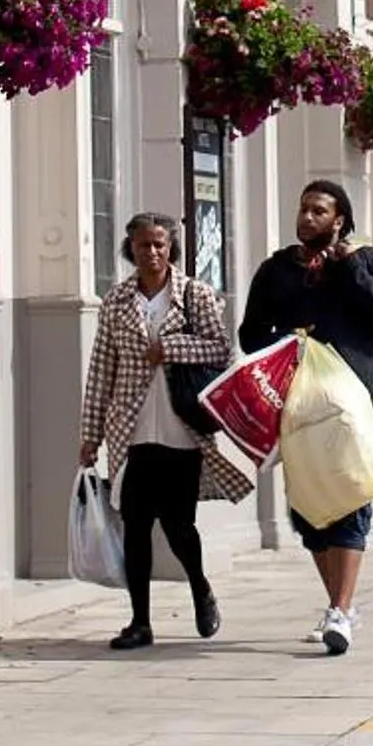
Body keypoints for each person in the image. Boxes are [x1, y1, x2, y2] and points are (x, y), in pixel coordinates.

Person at [240, 179, 373, 658]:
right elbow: (251, 334)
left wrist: (351, 265)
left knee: (352, 496)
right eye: (303, 209)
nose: (308, 217)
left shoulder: (363, 261)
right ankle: (341, 606)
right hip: (300, 405)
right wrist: (286, 342)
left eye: (318, 210)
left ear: (338, 220)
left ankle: (340, 609)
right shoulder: (276, 270)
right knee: (310, 512)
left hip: (354, 402)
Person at [79, 214, 249, 651]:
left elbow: (220, 348)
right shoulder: (116, 301)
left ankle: (200, 587)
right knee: (135, 524)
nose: (151, 253)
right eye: (141, 246)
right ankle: (140, 621)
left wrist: (169, 347)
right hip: (131, 430)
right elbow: (101, 370)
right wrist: (90, 433)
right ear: (129, 250)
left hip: (181, 429)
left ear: (171, 247)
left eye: (158, 244)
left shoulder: (196, 295)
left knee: (178, 524)